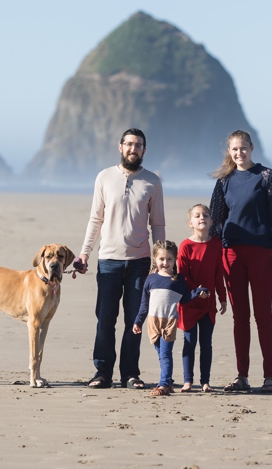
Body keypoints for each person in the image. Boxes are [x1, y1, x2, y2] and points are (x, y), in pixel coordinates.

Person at [75, 128, 165, 389]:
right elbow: (96, 218)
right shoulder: (104, 177)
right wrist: (84, 252)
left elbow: (157, 223)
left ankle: (130, 374)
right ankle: (102, 372)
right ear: (120, 147)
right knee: (105, 319)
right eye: (129, 144)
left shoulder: (153, 182)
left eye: (138, 145)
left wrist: (159, 260)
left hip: (140, 261)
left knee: (134, 321)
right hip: (109, 260)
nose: (133, 149)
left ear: (144, 151)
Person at [207, 130, 272, 392]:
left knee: (263, 315)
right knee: (240, 317)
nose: (239, 153)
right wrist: (210, 251)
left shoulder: (266, 176)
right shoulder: (223, 181)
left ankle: (269, 377)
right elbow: (216, 221)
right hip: (231, 253)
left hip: (263, 252)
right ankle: (242, 376)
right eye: (234, 149)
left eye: (243, 148)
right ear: (229, 152)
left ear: (252, 148)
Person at [131, 240, 209, 396]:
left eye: (169, 259)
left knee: (166, 354)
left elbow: (185, 298)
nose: (165, 263)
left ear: (175, 260)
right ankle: (169, 382)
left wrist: (199, 292)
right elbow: (144, 305)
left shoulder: (178, 280)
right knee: (161, 354)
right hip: (153, 322)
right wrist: (138, 321)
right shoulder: (151, 280)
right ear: (155, 260)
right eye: (161, 259)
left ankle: (164, 384)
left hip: (170, 322)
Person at [177, 203, 227, 392]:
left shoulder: (216, 244)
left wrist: (222, 297)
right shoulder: (185, 246)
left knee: (206, 343)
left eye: (205, 215)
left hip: (208, 303)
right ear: (190, 222)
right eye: (197, 216)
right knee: (189, 342)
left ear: (212, 221)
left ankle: (205, 381)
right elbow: (182, 275)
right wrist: (195, 291)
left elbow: (218, 273)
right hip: (189, 302)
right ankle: (187, 381)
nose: (202, 218)